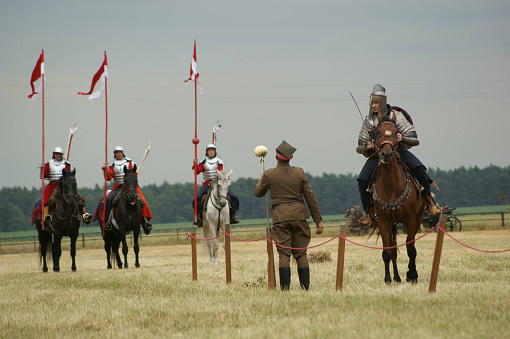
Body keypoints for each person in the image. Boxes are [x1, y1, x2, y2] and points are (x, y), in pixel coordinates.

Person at [356, 84, 440, 227]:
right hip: (377, 155)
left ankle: (429, 202)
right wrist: (367, 146)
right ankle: (369, 212)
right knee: (362, 180)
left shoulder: (397, 115)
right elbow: (359, 145)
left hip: (398, 152)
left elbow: (414, 138)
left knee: (420, 170)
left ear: (382, 102)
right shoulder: (369, 121)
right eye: (372, 103)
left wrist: (402, 138)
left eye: (376, 102)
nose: (374, 105)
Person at [254, 141, 324, 291]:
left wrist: (261, 179)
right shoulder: (300, 173)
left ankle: (285, 290)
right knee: (301, 253)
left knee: (284, 254)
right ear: (290, 158)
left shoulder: (269, 174)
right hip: (299, 217)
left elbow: (258, 193)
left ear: (276, 157)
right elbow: (311, 198)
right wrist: (318, 220)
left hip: (280, 217)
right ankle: (305, 288)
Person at [101, 146, 153, 235]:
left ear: (123, 153)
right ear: (114, 154)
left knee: (142, 200)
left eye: (120, 152)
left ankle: (145, 222)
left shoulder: (130, 162)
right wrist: (105, 169)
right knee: (109, 200)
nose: (118, 154)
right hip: (118, 187)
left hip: (130, 187)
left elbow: (134, 174)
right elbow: (108, 178)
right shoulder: (112, 165)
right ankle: (108, 222)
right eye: (117, 152)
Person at [37, 146, 91, 230]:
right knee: (47, 199)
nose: (58, 155)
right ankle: (46, 216)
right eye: (57, 154)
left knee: (78, 198)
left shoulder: (67, 164)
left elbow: (69, 176)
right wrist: (42, 169)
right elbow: (43, 176)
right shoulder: (49, 164)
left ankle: (84, 214)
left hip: (64, 186)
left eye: (60, 154)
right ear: (54, 155)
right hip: (52, 185)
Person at [191, 144, 239, 226]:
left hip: (218, 183)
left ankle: (232, 216)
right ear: (207, 152)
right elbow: (198, 171)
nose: (211, 152)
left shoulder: (219, 161)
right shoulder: (203, 162)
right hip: (207, 183)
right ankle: (199, 217)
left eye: (212, 150)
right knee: (197, 198)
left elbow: (221, 171)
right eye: (209, 150)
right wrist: (195, 164)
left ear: (215, 151)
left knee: (233, 197)